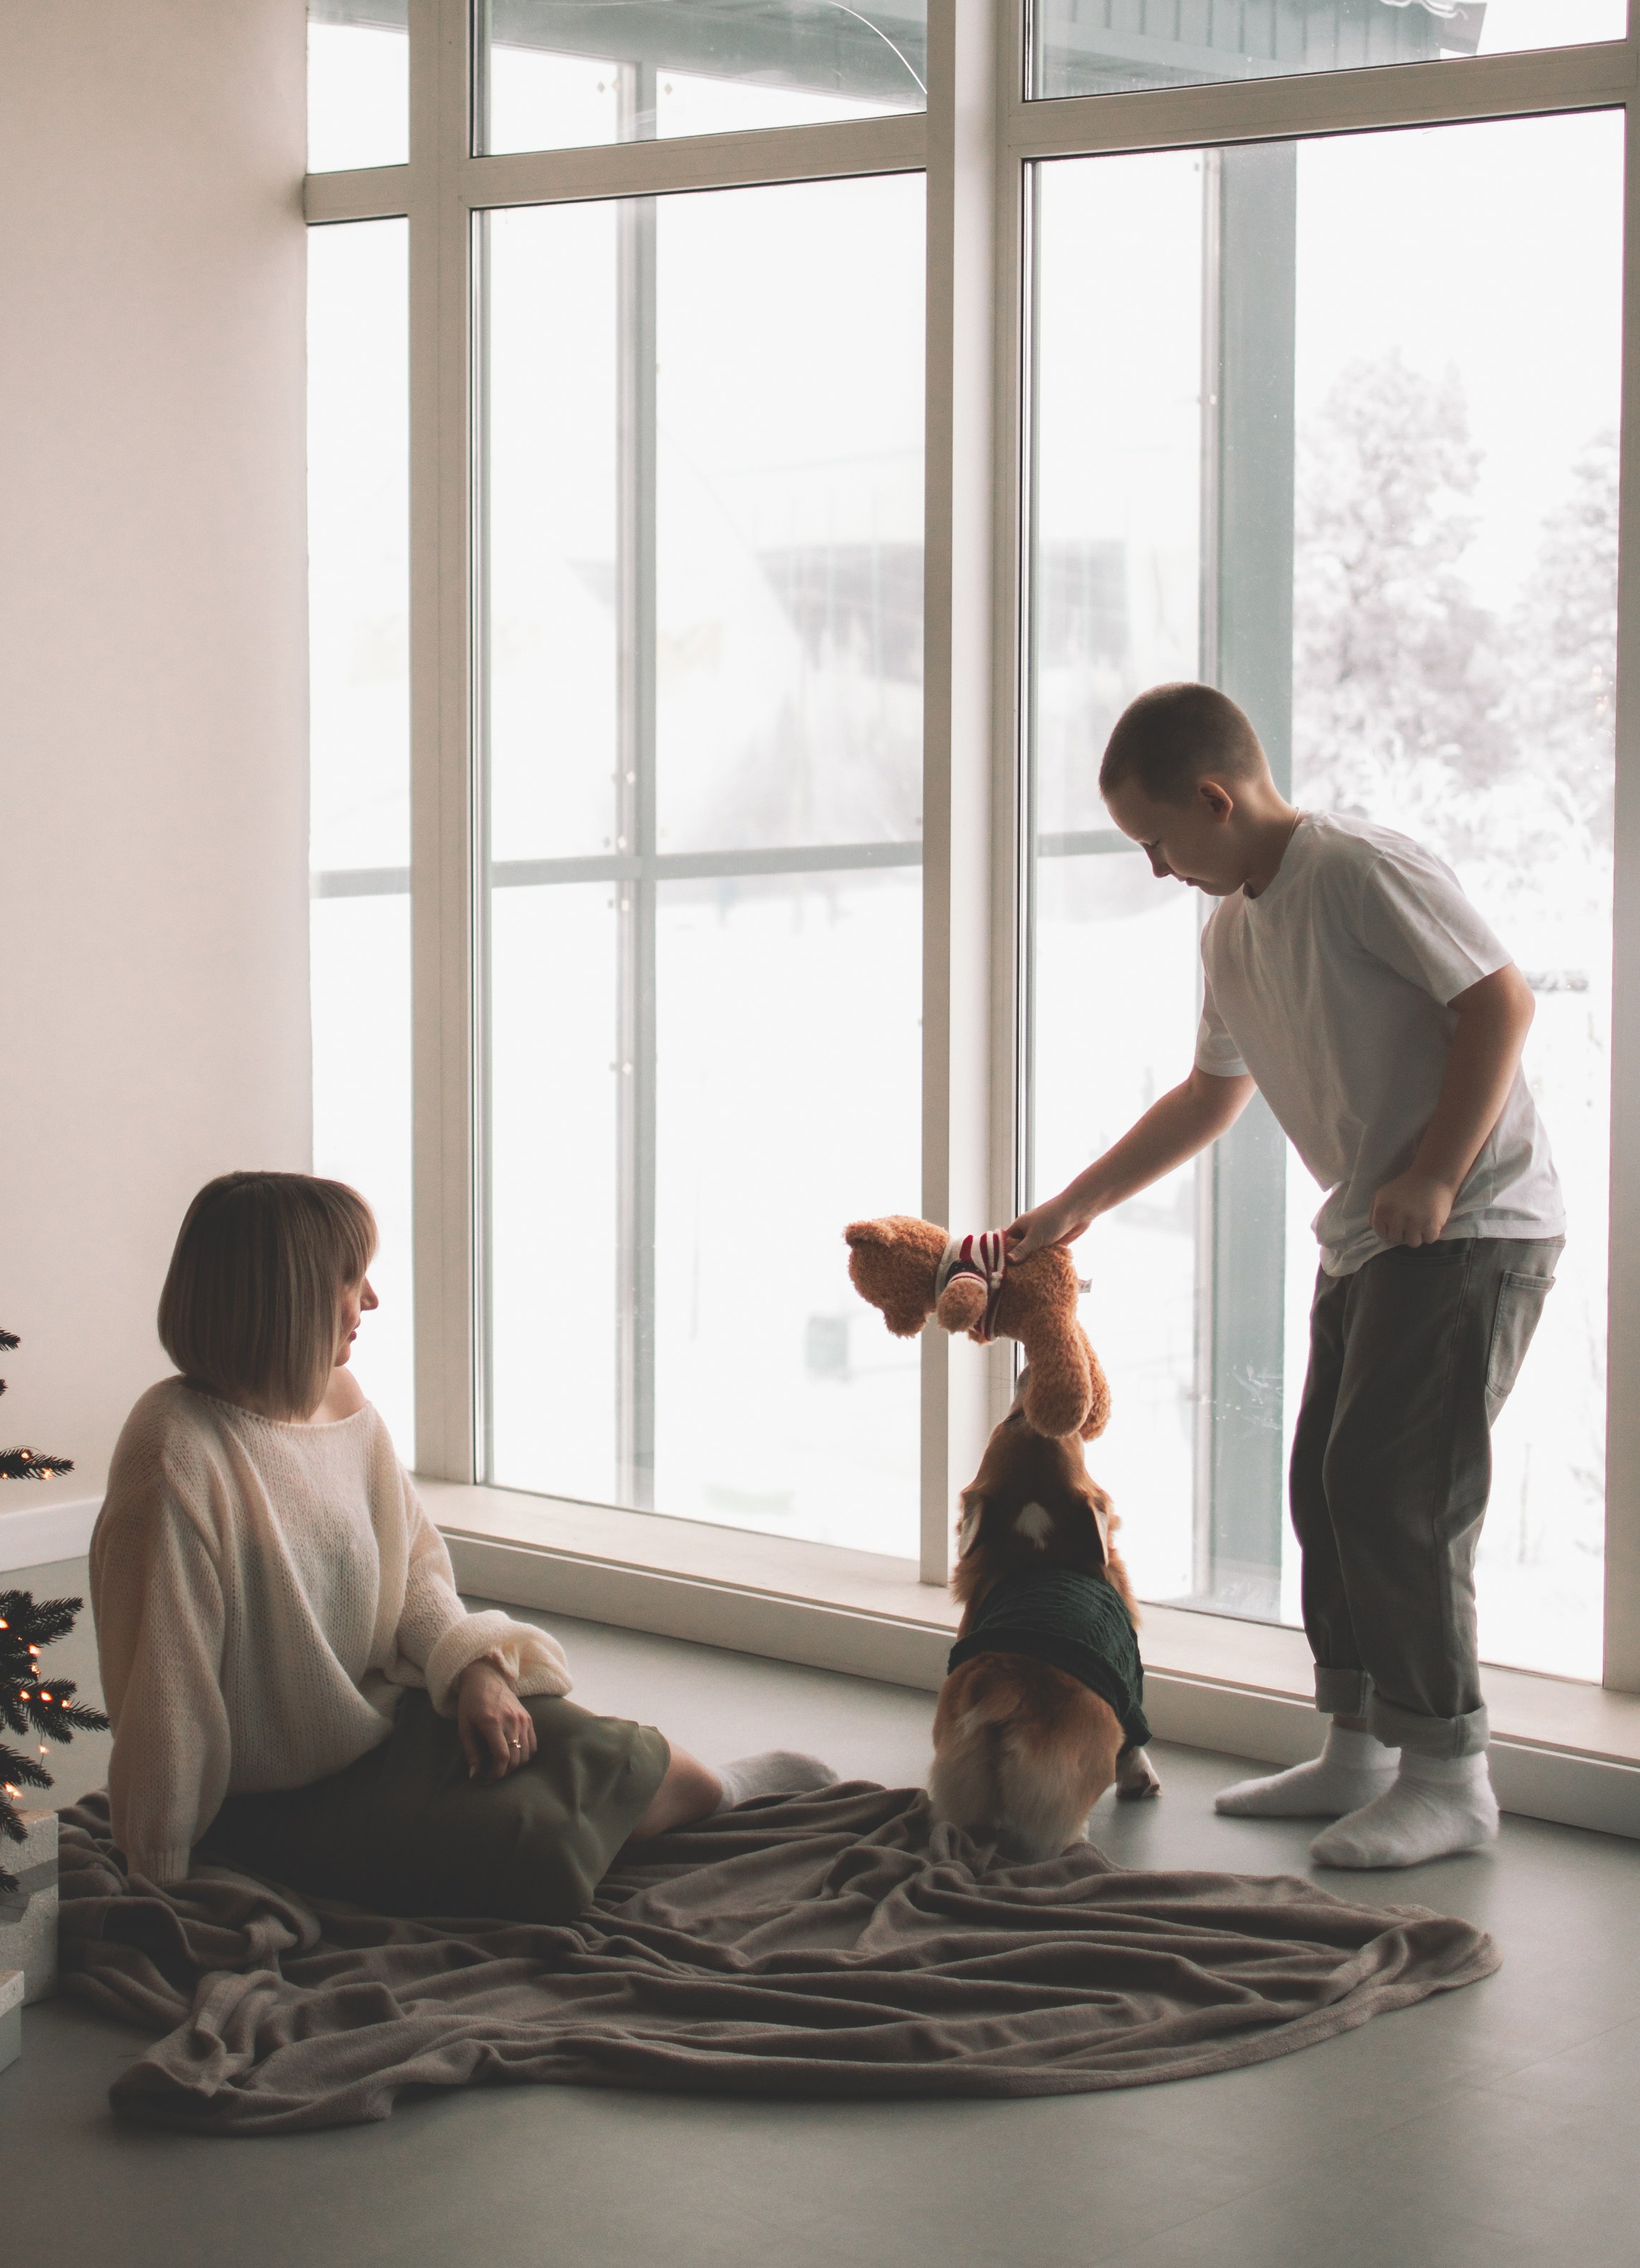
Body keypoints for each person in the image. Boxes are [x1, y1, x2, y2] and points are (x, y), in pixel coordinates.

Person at [1005, 684, 1564, 1870]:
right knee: (1324, 1484)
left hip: (1473, 1226)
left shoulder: (1358, 869)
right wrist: (1074, 1206)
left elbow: (1499, 1002)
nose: (1157, 870)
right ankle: (1359, 1749)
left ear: (1216, 798)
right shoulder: (1230, 929)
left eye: (1159, 841)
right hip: (1372, 1234)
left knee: (1395, 1489)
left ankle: (1451, 1775)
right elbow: (1213, 1093)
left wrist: (1434, 1172)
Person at [90, 1170, 831, 1919]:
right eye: (353, 1280)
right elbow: (165, 1691)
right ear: (289, 1295)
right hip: (274, 1799)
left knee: (601, 1746)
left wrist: (473, 1669)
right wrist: (159, 1871)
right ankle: (615, 1820)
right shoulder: (175, 1454)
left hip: (383, 1724)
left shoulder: (340, 1402)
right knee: (532, 1850)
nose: (371, 1301)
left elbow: (413, 1565)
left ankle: (721, 1792)